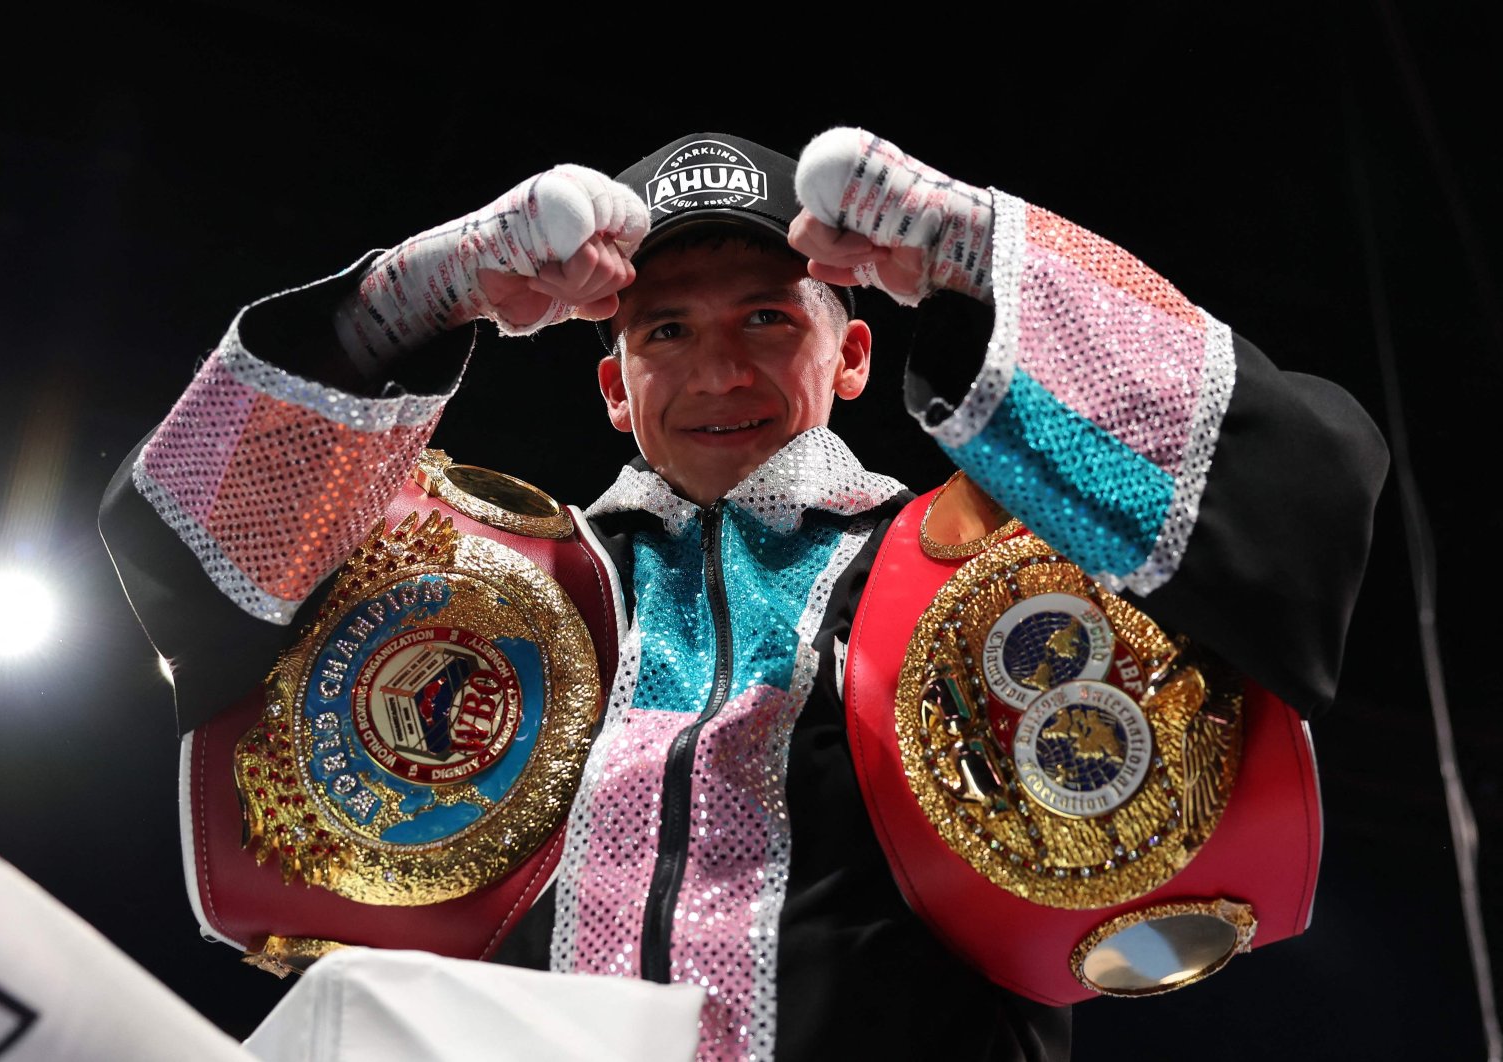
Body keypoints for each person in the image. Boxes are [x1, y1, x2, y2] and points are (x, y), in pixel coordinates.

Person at [100, 126, 1388, 1062]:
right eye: (665, 330)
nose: (718, 366)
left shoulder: (1006, 556)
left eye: (769, 318)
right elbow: (189, 551)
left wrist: (977, 252)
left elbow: (1301, 493)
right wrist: (408, 303)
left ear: (854, 353)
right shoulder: (490, 590)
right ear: (612, 385)